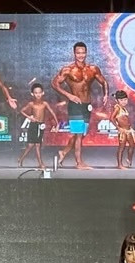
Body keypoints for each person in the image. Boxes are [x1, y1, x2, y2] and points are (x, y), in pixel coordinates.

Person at [52, 42, 108, 170]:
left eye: (83, 53)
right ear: (74, 53)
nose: (81, 55)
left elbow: (104, 81)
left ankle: (64, 152)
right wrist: (69, 95)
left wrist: (106, 94)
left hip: (86, 105)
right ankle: (79, 163)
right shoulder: (68, 69)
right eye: (78, 53)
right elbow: (54, 83)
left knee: (81, 134)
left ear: (86, 53)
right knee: (78, 134)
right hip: (75, 105)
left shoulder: (93, 69)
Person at [16, 83, 59, 169]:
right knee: (32, 145)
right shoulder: (31, 104)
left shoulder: (45, 104)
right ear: (32, 94)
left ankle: (22, 159)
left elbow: (52, 113)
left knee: (36, 145)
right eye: (36, 93)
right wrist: (29, 117)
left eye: (39, 92)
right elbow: (22, 111)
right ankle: (37, 162)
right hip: (33, 125)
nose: (38, 95)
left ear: (43, 93)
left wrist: (57, 124)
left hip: (41, 125)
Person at [109, 90, 135, 169]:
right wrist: (118, 128)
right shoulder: (117, 108)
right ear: (117, 100)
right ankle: (119, 164)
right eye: (121, 100)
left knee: (132, 145)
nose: (124, 101)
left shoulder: (123, 108)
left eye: (125, 100)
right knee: (121, 147)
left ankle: (129, 159)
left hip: (129, 130)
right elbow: (111, 118)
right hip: (123, 131)